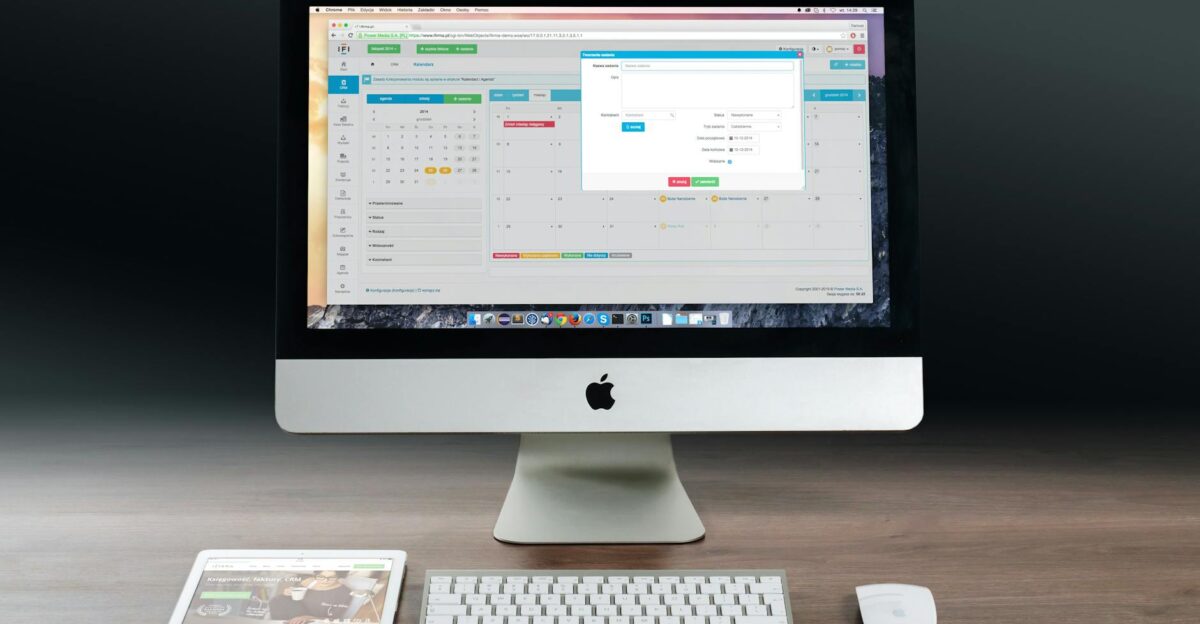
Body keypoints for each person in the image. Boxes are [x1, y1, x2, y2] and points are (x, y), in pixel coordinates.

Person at [268, 570, 355, 623]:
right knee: (277, 600)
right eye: (321, 577)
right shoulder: (309, 582)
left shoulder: (344, 592)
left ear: (339, 576)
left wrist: (308, 618)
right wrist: (287, 592)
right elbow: (292, 597)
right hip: (292, 616)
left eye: (331, 577)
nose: (325, 581)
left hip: (313, 620)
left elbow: (334, 618)